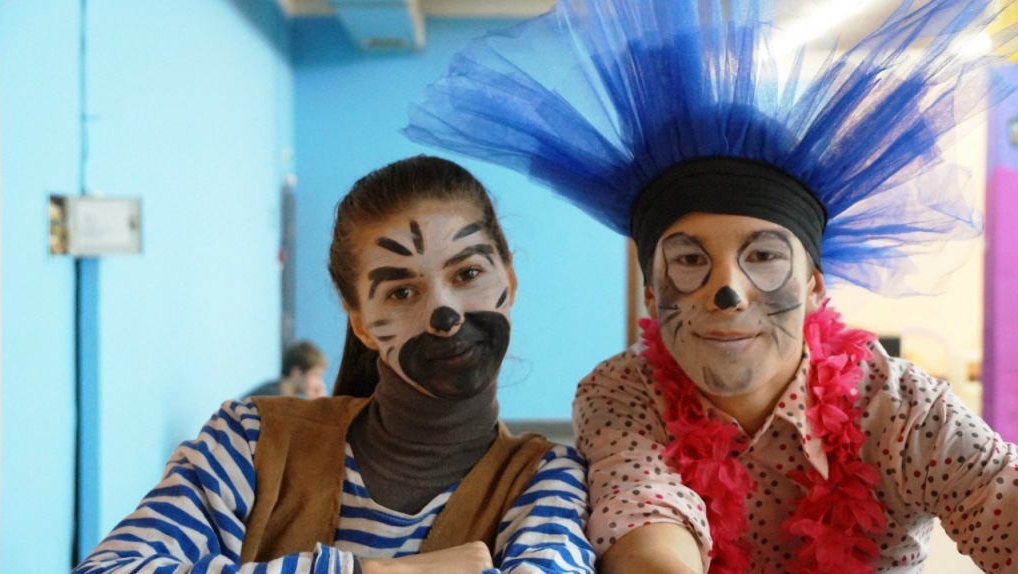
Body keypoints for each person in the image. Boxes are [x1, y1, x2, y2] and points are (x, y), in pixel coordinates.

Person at [402, 0, 1018, 572]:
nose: (728, 292)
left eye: (764, 256)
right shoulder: (623, 394)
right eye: (690, 260)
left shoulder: (899, 406)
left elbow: (996, 494)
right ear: (651, 295)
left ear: (814, 286)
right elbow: (643, 514)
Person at [73, 155, 596, 574]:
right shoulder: (251, 441)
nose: (445, 315)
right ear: (361, 323)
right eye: (401, 291)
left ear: (510, 279)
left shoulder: (544, 482)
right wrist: (373, 572)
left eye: (468, 274)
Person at [244, 340, 328, 399]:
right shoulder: (272, 398)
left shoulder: (278, 392)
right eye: (315, 375)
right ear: (297, 372)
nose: (319, 383)